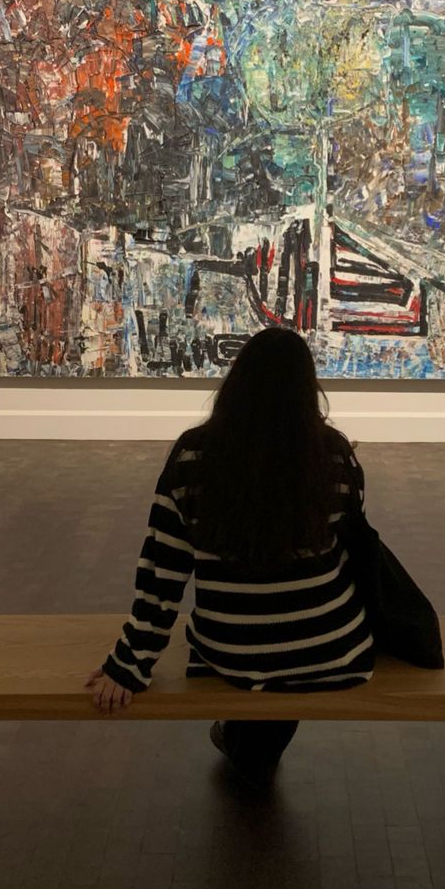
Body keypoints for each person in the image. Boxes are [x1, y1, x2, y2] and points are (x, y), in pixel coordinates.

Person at [84, 327, 375, 788]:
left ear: (235, 382)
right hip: (333, 648)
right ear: (307, 388)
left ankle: (246, 747)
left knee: (262, 666)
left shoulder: (194, 455)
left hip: (232, 648)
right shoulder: (334, 455)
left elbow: (162, 573)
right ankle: (249, 748)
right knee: (288, 654)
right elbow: (355, 551)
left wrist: (129, 665)